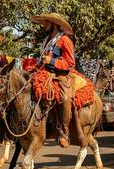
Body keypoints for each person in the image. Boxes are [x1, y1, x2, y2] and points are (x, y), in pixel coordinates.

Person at [31, 13, 88, 148]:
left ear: (55, 24)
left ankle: (64, 132)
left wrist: (51, 60)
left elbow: (70, 62)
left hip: (61, 74)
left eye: (46, 23)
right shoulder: (47, 39)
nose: (44, 25)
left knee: (64, 96)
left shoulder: (65, 40)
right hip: (45, 72)